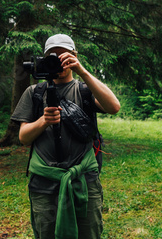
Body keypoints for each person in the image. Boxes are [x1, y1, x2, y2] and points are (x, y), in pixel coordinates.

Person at [11, 34, 120, 239]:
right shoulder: (34, 93)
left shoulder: (85, 90)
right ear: (44, 59)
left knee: (89, 233)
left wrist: (83, 72)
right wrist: (44, 121)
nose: (58, 61)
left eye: (64, 56)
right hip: (44, 183)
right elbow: (24, 137)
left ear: (74, 57)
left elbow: (114, 107)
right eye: (53, 56)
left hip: (84, 182)